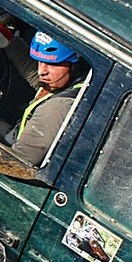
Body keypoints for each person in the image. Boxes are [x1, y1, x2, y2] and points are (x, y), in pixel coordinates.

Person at [11, 32, 88, 167]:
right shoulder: (72, 85)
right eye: (40, 61)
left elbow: (17, 163)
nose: (41, 71)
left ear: (74, 65)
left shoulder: (58, 107)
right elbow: (39, 81)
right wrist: (9, 43)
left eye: (51, 63)